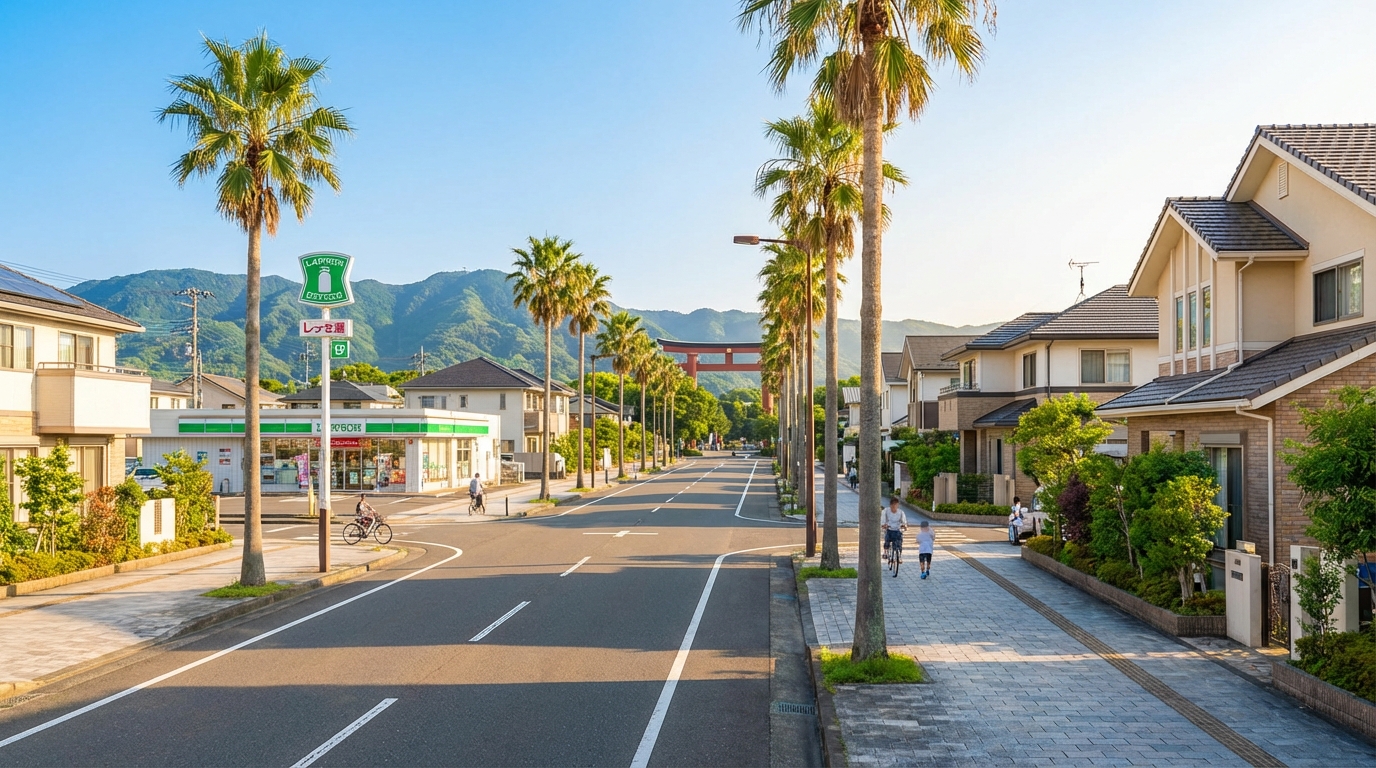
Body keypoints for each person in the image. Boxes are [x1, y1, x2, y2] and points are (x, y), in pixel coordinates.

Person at [881, 496, 907, 564]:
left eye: (896, 505)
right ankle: (885, 552)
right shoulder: (886, 511)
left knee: (899, 542)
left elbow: (904, 521)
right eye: (893, 505)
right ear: (891, 505)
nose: (895, 507)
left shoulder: (901, 512)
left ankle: (899, 556)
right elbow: (883, 520)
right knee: (887, 540)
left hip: (897, 529)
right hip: (889, 528)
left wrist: (904, 525)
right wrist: (884, 525)